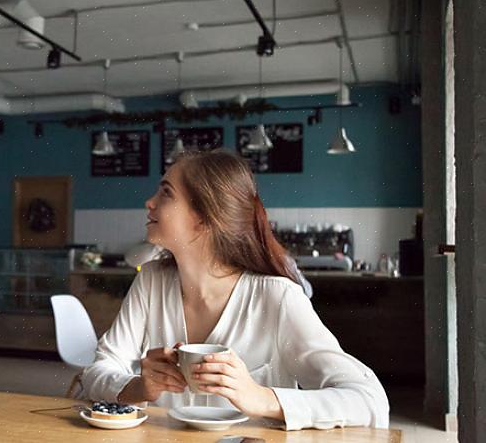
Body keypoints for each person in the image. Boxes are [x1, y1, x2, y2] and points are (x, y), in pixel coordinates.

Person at [81, 150, 389, 430]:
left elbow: (370, 400)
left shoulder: (277, 297)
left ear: (205, 217)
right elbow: (97, 371)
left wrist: (260, 397)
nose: (149, 202)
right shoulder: (151, 281)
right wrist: (141, 386)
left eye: (166, 193)